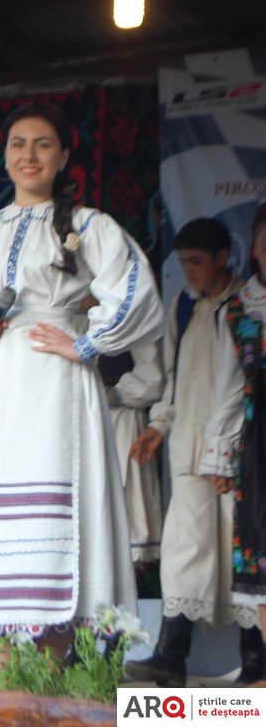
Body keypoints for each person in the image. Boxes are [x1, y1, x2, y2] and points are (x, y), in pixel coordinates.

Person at [0, 101, 164, 654]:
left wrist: (85, 342)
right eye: (18, 144)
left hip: (54, 388)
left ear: (64, 156)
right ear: (5, 156)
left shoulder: (89, 226)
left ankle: (51, 672)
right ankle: (1, 674)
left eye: (43, 144)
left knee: (54, 521)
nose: (29, 155)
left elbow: (137, 293)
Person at [126, 217, 262, 687]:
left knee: (239, 551)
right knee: (185, 547)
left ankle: (256, 662)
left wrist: (231, 450)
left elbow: (243, 383)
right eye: (184, 262)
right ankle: (170, 656)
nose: (189, 271)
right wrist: (158, 426)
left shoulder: (245, 304)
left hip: (237, 455)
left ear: (224, 258)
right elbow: (170, 374)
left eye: (197, 261)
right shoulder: (183, 306)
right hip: (188, 448)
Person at [201, 203, 266, 686]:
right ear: (255, 248)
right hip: (260, 447)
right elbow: (228, 387)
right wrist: (219, 453)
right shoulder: (241, 308)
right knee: (261, 556)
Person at [99, 343, 165, 564]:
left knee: (127, 510)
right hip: (88, 424)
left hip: (124, 422)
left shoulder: (134, 327)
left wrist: (110, 395)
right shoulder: (75, 326)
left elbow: (153, 379)